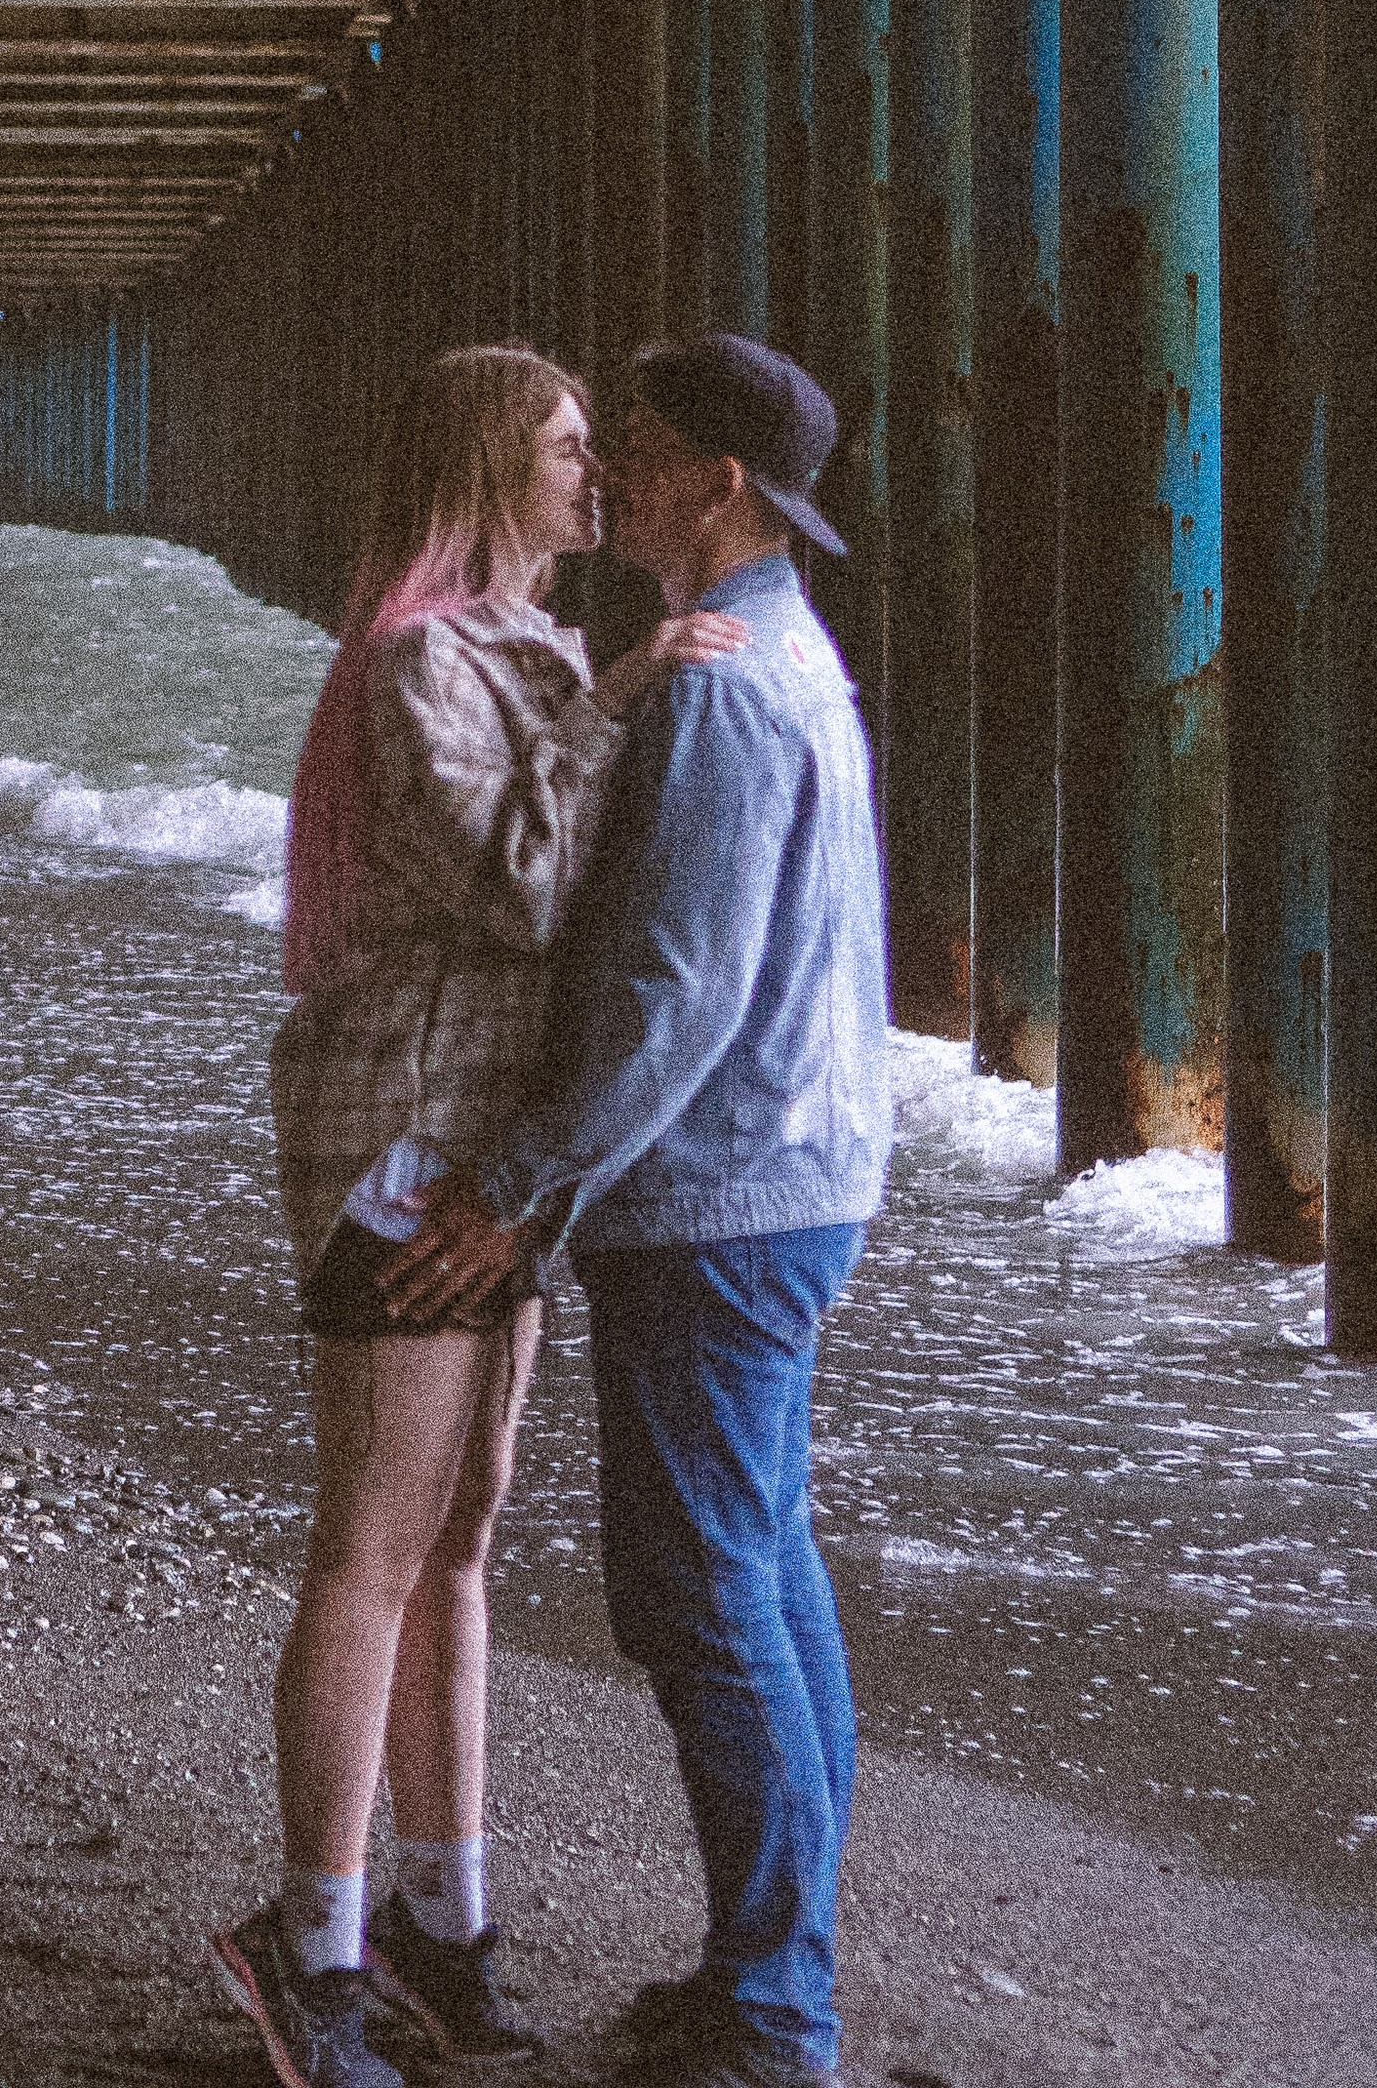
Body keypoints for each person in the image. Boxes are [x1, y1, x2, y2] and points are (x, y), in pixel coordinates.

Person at [211, 343, 749, 2088]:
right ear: (489, 467)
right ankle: (311, 1952)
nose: (601, 474)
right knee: (373, 1546)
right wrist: (623, 700)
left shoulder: (528, 644)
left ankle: (448, 1924)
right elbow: (521, 895)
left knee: (461, 1543)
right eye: (572, 447)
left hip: (497, 1157)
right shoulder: (418, 655)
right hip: (402, 1151)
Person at [388, 333, 894, 2088]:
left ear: (722, 485)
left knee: (699, 1595)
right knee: (762, 1569)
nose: (610, 475)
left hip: (723, 1198)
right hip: (799, 1173)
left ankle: (776, 2014)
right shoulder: (787, 659)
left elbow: (673, 997)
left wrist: (517, 1185)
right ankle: (777, 1972)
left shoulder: (719, 689)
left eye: (644, 444)